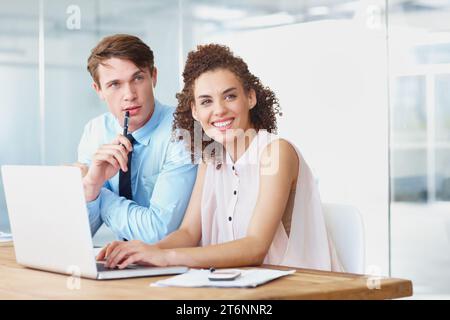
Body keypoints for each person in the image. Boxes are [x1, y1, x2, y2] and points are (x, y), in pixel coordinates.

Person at [97, 44, 343, 272]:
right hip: (240, 287)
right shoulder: (211, 159)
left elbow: (256, 247)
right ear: (195, 111)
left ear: (251, 97)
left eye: (230, 96)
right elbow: (188, 233)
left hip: (301, 288)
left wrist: (167, 257)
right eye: (206, 101)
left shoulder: (276, 152)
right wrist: (143, 250)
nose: (219, 110)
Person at [77, 34, 197, 243]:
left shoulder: (184, 130)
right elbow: (79, 235)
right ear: (99, 90)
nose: (129, 94)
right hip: (126, 265)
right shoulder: (95, 131)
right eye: (115, 84)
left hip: (182, 266)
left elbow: (159, 234)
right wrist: (90, 188)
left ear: (154, 76)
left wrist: (93, 188)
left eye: (138, 78)